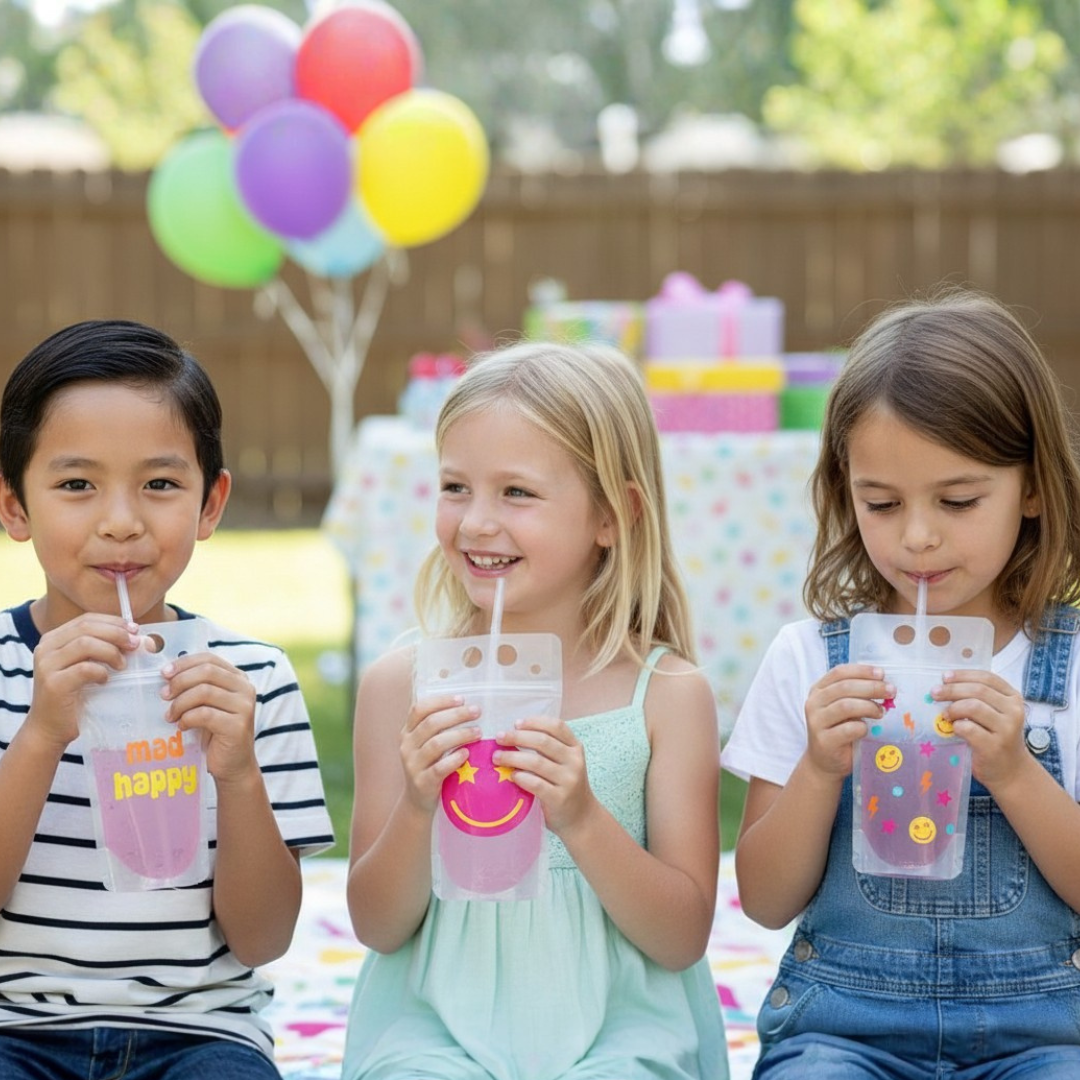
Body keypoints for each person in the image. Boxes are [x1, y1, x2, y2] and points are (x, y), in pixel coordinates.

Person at [342, 341, 728, 1080]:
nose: (476, 522)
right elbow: (377, 924)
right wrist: (419, 805)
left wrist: (581, 817)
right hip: (436, 1032)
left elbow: (681, 937)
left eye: (516, 493)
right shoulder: (401, 685)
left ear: (614, 516)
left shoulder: (668, 697)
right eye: (456, 487)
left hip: (618, 1035)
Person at [723, 287, 1080, 1078]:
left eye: (957, 500)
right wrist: (820, 767)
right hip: (846, 1028)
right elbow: (767, 899)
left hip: (1047, 1031)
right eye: (880, 503)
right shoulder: (808, 660)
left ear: (1030, 487)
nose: (916, 537)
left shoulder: (1073, 667)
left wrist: (1017, 772)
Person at [0, 320, 335, 1077]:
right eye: (77, 484)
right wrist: (44, 732)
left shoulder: (253, 681)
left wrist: (240, 773)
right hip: (13, 1028)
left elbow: (263, 939)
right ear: (15, 506)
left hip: (198, 1033)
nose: (122, 521)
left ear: (210, 504)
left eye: (159, 484)